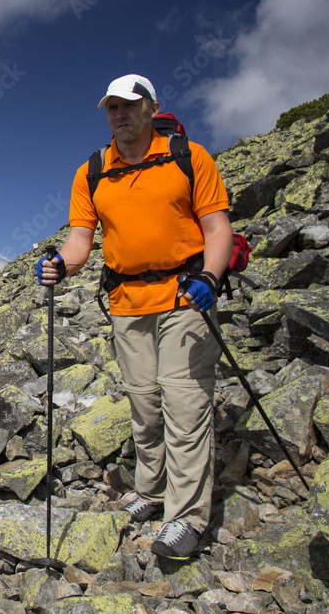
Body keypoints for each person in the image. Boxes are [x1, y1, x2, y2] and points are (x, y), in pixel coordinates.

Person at [36, 74, 232, 560]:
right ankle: (152, 489)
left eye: (129, 104)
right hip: (127, 303)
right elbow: (82, 237)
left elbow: (217, 226)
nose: (120, 114)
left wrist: (209, 277)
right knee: (145, 404)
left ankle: (186, 518)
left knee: (184, 404)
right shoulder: (94, 170)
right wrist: (63, 263)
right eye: (111, 107)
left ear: (151, 108)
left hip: (186, 295)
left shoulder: (190, 156)